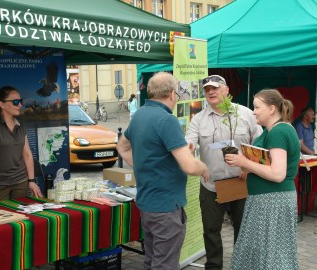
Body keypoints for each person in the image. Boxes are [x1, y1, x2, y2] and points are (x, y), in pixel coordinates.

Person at [117, 72, 207, 270]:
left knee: (152, 261)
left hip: (147, 203)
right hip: (166, 207)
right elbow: (190, 166)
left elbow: (122, 147)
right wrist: (204, 168)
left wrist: (145, 166)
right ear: (173, 94)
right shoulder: (167, 120)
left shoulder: (140, 114)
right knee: (164, 265)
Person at [185, 74, 262, 270]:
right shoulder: (198, 119)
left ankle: (241, 265)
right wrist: (194, 162)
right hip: (212, 185)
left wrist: (248, 166)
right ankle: (213, 266)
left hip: (241, 181)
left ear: (226, 90)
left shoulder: (245, 114)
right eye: (207, 89)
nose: (211, 92)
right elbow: (189, 145)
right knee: (211, 230)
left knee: (243, 229)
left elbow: (260, 144)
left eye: (215, 88)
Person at [224, 89, 300, 270]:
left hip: (272, 201)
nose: (254, 111)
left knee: (271, 255)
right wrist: (246, 164)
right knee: (267, 253)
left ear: (272, 109)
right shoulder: (274, 130)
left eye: (257, 107)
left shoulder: (278, 132)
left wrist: (245, 163)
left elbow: (277, 174)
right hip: (267, 200)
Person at [0, 86, 43, 207]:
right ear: (2, 104)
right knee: (2, 219)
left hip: (20, 181)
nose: (19, 105)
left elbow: (27, 154)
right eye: (15, 102)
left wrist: (31, 181)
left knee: (21, 218)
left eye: (20, 101)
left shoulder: (21, 122)